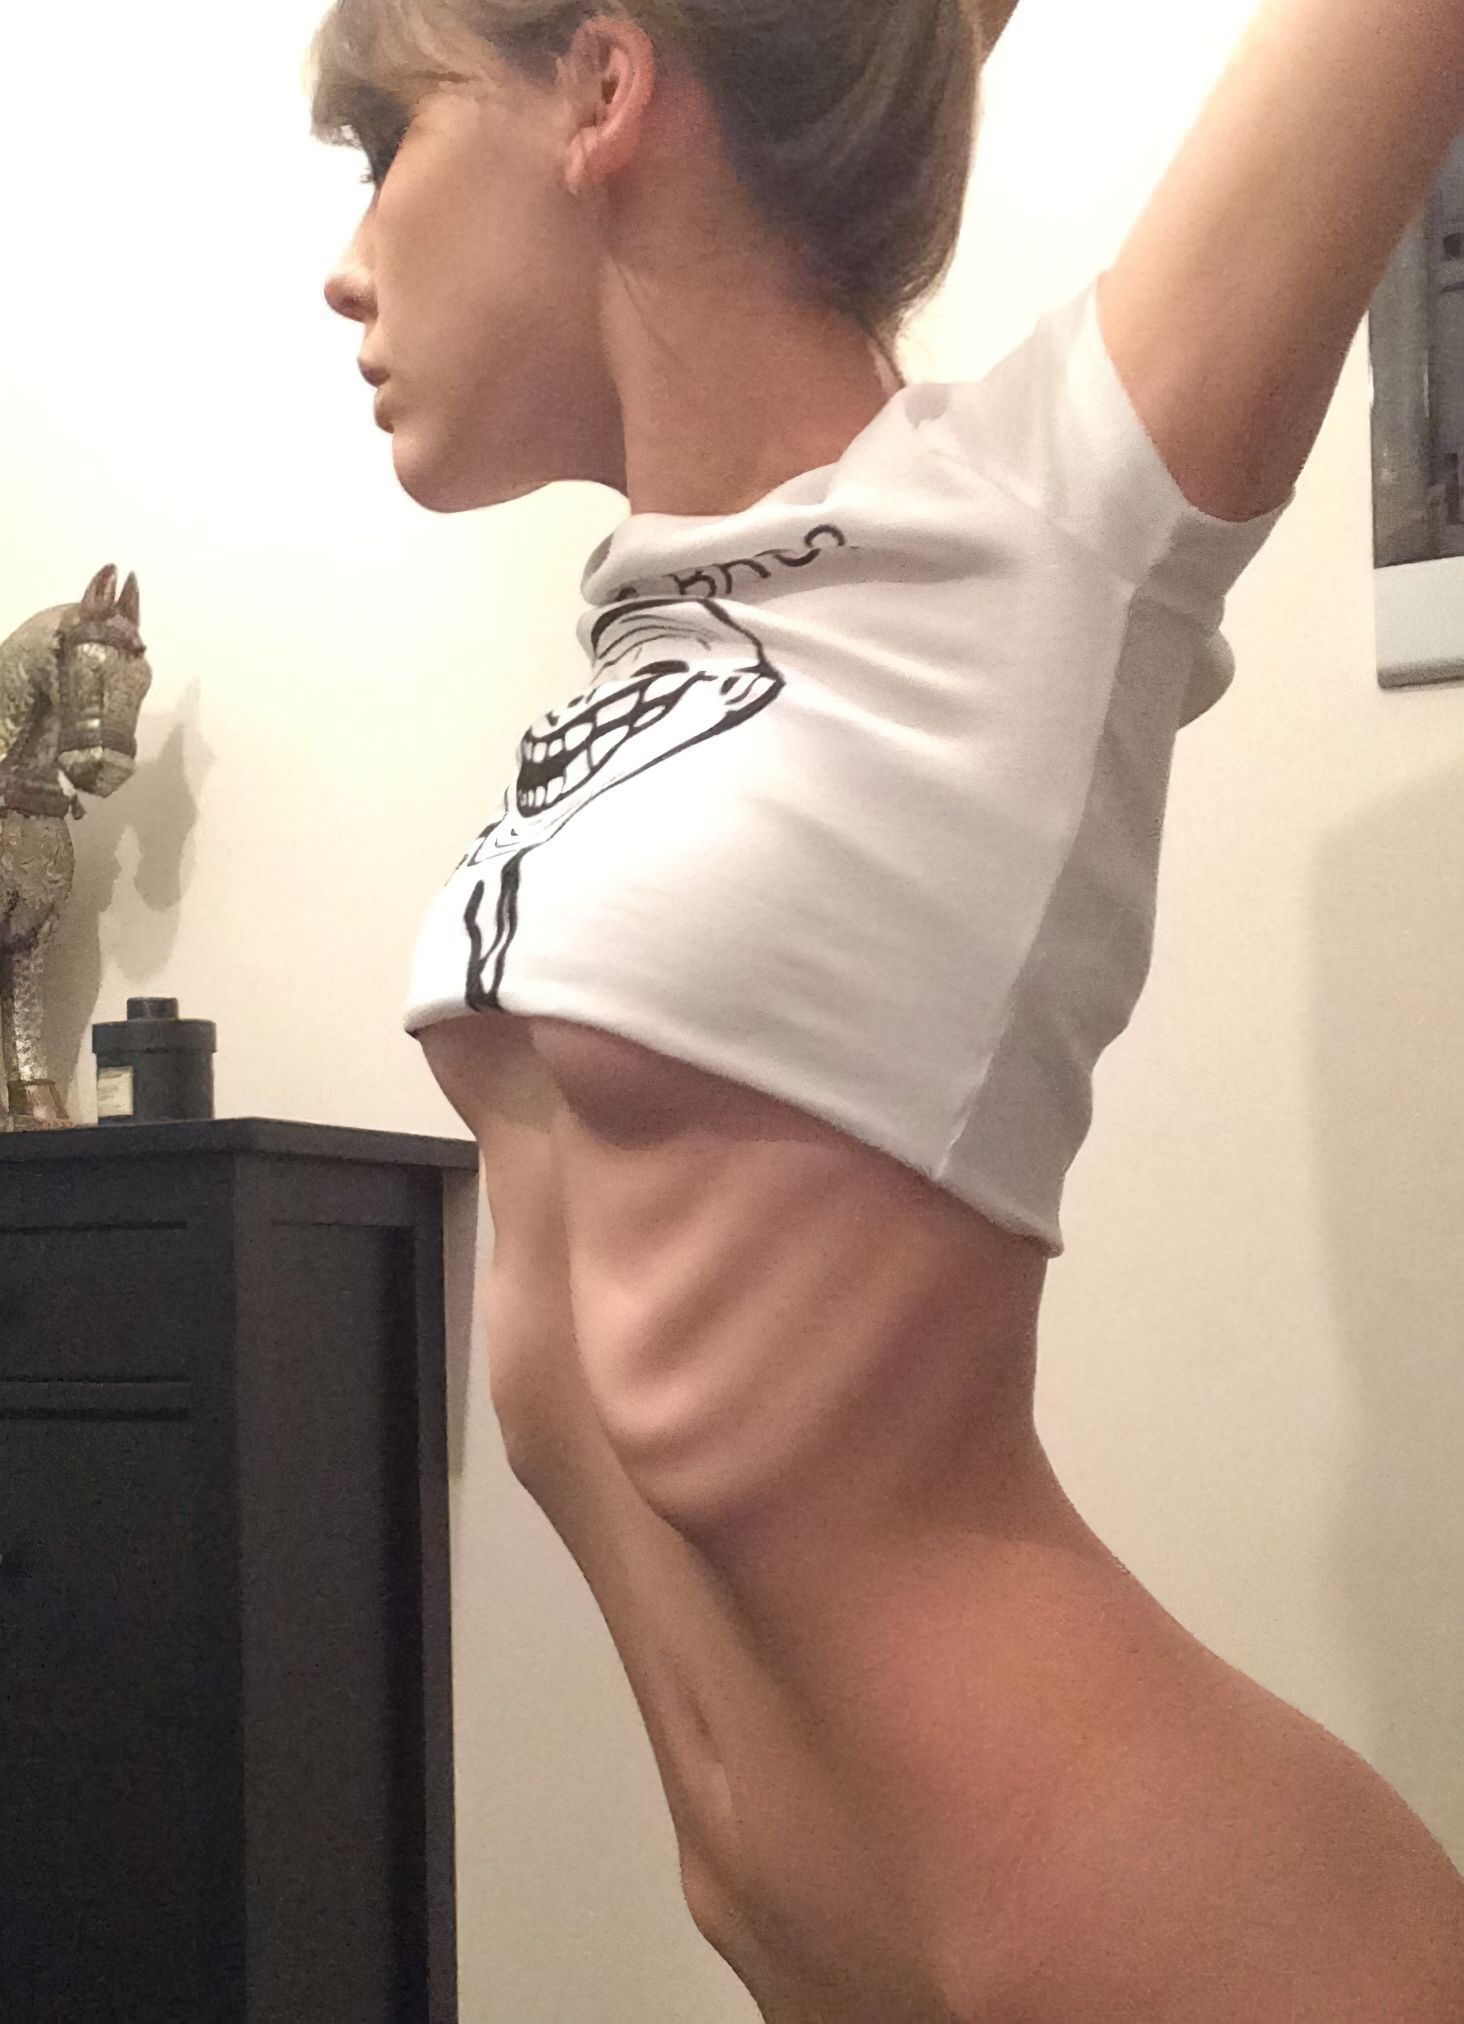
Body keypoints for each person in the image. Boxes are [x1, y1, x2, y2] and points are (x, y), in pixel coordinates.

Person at [313, 0, 1464, 2014]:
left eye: (381, 137)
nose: (347, 260)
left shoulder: (1041, 512)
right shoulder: (662, 621)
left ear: (602, 85)